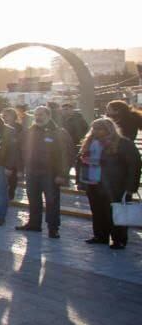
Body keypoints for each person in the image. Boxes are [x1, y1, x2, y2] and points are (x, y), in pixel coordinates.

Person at [79, 117, 141, 250]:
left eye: (99, 129)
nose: (95, 131)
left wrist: (131, 186)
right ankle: (100, 236)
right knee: (98, 211)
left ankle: (119, 239)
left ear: (108, 129)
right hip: (94, 182)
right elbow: (80, 160)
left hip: (115, 184)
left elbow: (133, 165)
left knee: (116, 212)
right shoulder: (90, 142)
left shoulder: (123, 143)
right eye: (94, 128)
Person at [17, 106, 71, 238]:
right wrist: (20, 168)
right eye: (36, 115)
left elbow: (67, 155)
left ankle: (53, 228)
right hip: (32, 171)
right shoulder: (29, 132)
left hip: (50, 173)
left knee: (52, 201)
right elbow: (20, 150)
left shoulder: (59, 132)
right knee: (33, 199)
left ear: (48, 115)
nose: (37, 117)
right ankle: (34, 224)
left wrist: (62, 174)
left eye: (41, 114)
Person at [1, 107, 23, 200]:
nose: (4, 117)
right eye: (3, 115)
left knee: (12, 176)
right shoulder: (1, 126)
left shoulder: (19, 127)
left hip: (15, 154)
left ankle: (11, 193)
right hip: (2, 155)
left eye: (7, 115)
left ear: (14, 116)